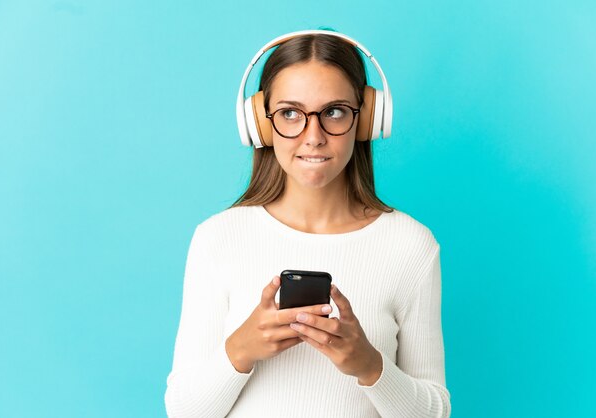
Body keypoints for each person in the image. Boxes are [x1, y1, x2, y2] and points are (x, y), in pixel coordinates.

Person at [164, 29, 451, 418]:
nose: (312, 137)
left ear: (365, 119)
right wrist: (241, 349)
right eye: (290, 113)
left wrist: (369, 365)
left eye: (333, 111)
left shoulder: (411, 246)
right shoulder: (217, 239)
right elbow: (184, 411)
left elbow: (434, 412)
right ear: (261, 125)